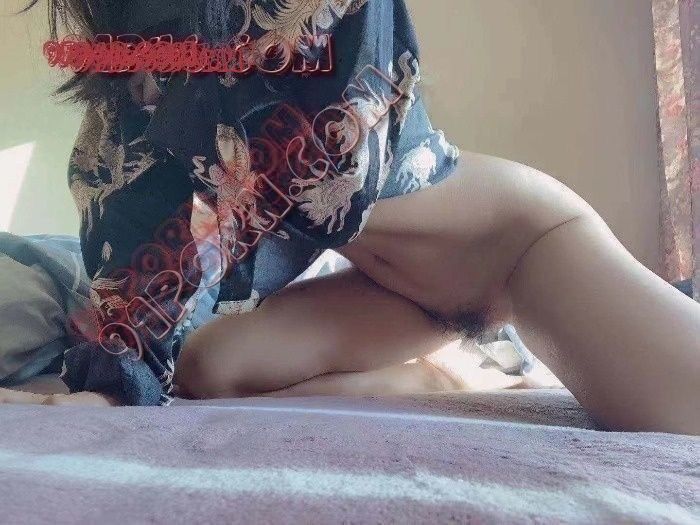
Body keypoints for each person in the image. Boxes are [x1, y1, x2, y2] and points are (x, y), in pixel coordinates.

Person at [2, 0, 698, 435]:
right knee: (207, 365)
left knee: (685, 412)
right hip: (393, 295)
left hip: (517, 250)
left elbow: (323, 166)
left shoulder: (318, 29)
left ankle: (483, 347)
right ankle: (449, 367)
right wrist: (103, 383)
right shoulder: (134, 85)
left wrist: (120, 371)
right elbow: (125, 224)